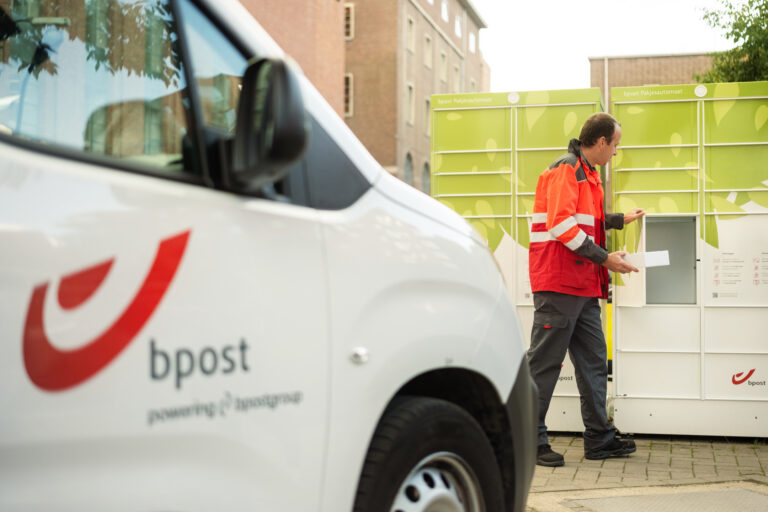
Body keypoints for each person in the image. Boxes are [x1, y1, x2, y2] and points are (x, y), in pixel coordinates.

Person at [527, 112, 645, 467]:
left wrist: (618, 220)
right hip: (559, 284)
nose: (615, 153)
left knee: (594, 361)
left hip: (581, 285)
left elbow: (585, 220)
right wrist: (606, 258)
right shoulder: (568, 169)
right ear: (601, 142)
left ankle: (599, 439)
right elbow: (562, 225)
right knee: (544, 365)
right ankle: (529, 442)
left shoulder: (588, 175)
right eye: (615, 146)